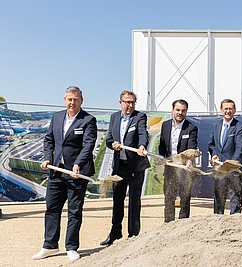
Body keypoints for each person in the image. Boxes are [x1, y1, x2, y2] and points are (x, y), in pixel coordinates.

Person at [33, 86, 97, 262]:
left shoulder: (88, 120)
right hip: (56, 171)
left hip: (76, 173)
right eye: (69, 99)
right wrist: (48, 158)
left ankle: (71, 247)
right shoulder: (57, 117)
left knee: (74, 211)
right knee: (52, 208)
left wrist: (78, 164)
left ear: (81, 101)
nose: (72, 102)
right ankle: (49, 245)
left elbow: (88, 145)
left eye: (75, 99)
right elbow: (49, 140)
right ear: (64, 100)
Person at [100, 90, 150, 245]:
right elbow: (109, 139)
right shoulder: (114, 117)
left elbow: (143, 134)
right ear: (120, 102)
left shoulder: (139, 117)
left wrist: (142, 145)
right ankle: (115, 233)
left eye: (133, 102)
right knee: (117, 201)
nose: (130, 105)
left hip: (135, 166)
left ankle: (133, 235)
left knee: (134, 201)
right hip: (119, 167)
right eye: (127, 102)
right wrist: (112, 144)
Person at [158, 99, 198, 222]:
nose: (180, 113)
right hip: (170, 167)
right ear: (173, 110)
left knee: (184, 199)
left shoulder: (191, 128)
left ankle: (182, 226)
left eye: (183, 110)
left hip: (185, 169)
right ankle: (168, 225)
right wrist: (161, 158)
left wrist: (189, 161)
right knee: (169, 198)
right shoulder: (165, 125)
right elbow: (162, 146)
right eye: (178, 110)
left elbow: (192, 147)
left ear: (186, 111)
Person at [208, 99, 242, 214]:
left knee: (235, 198)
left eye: (230, 109)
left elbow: (240, 147)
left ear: (234, 110)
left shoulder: (240, 126)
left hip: (234, 169)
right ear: (221, 110)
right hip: (219, 169)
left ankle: (234, 224)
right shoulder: (215, 126)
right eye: (225, 108)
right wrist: (214, 154)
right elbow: (211, 144)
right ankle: (217, 221)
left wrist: (231, 163)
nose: (228, 111)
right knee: (219, 197)